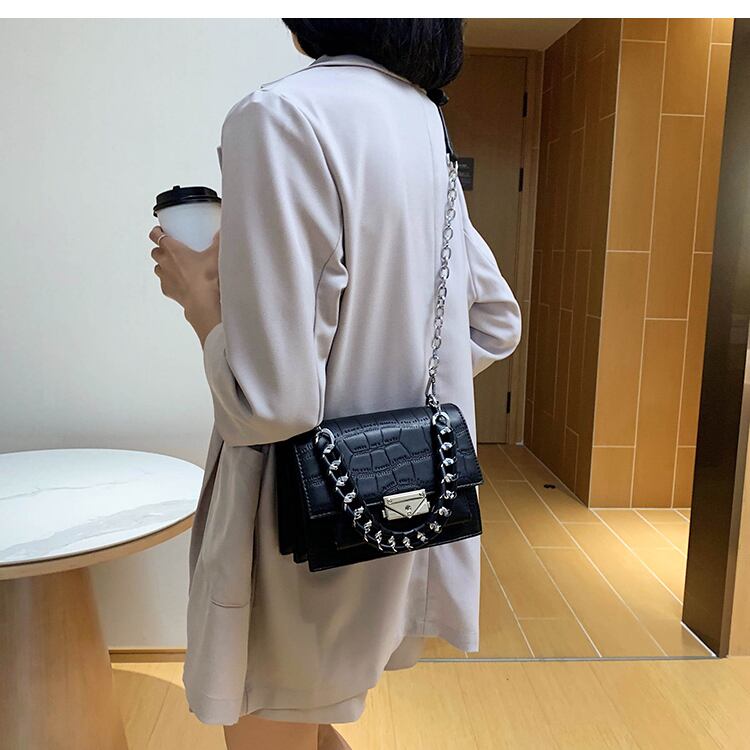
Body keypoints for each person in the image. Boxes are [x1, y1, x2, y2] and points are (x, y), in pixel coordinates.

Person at [148, 18, 522, 750]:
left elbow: (272, 404)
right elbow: (493, 321)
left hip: (294, 526)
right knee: (311, 721)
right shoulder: (425, 122)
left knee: (275, 721)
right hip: (392, 505)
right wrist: (380, 397)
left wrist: (202, 298)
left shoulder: (277, 116)